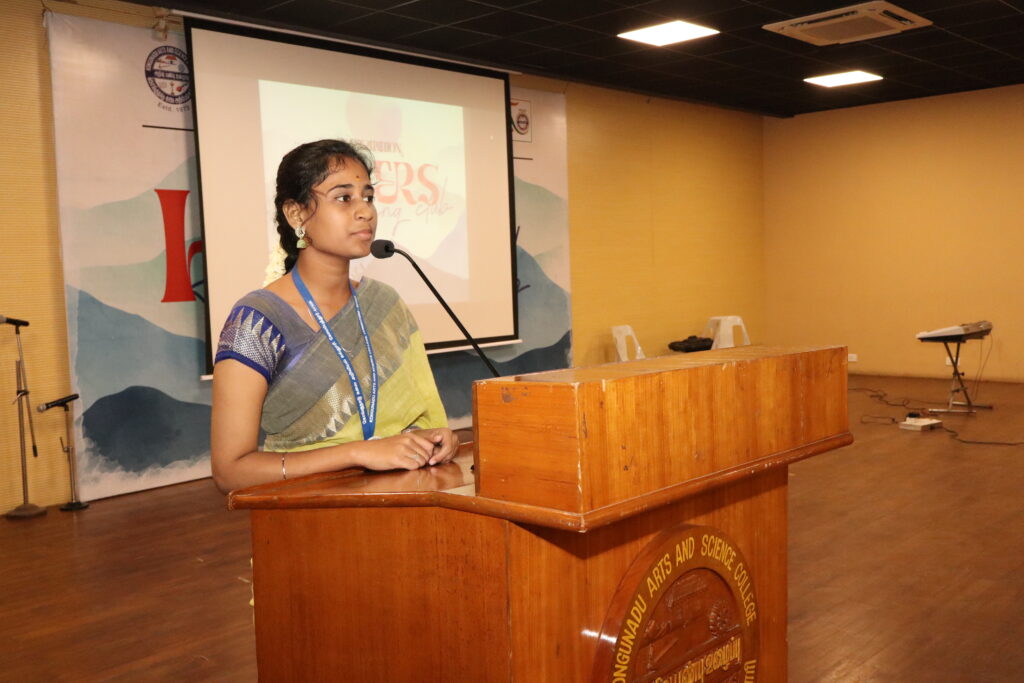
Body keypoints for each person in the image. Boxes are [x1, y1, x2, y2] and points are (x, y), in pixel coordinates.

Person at [210, 139, 458, 494]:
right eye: (344, 198)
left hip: (406, 504)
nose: (365, 211)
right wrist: (358, 453)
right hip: (308, 517)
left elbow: (420, 419)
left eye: (368, 197)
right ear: (296, 214)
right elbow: (230, 472)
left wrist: (436, 440)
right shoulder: (257, 321)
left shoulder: (385, 304)